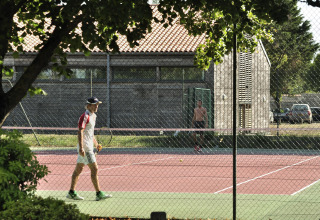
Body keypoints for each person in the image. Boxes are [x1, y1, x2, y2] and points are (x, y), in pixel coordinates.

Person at [67, 97, 112, 201]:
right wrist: (82, 147)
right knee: (94, 169)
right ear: (89, 105)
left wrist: (96, 144)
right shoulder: (85, 116)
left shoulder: (93, 116)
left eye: (97, 104)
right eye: (95, 104)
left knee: (78, 169)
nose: (97, 106)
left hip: (88, 146)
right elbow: (80, 131)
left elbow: (90, 133)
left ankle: (71, 192)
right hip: (86, 148)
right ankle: (98, 193)